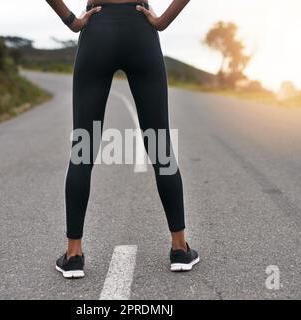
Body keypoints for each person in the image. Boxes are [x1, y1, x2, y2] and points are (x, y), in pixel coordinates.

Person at [45, 0, 199, 279]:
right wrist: (163, 21)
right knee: (159, 145)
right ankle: (179, 248)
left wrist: (72, 21)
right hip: (140, 29)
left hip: (97, 29)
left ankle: (74, 254)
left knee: (84, 146)